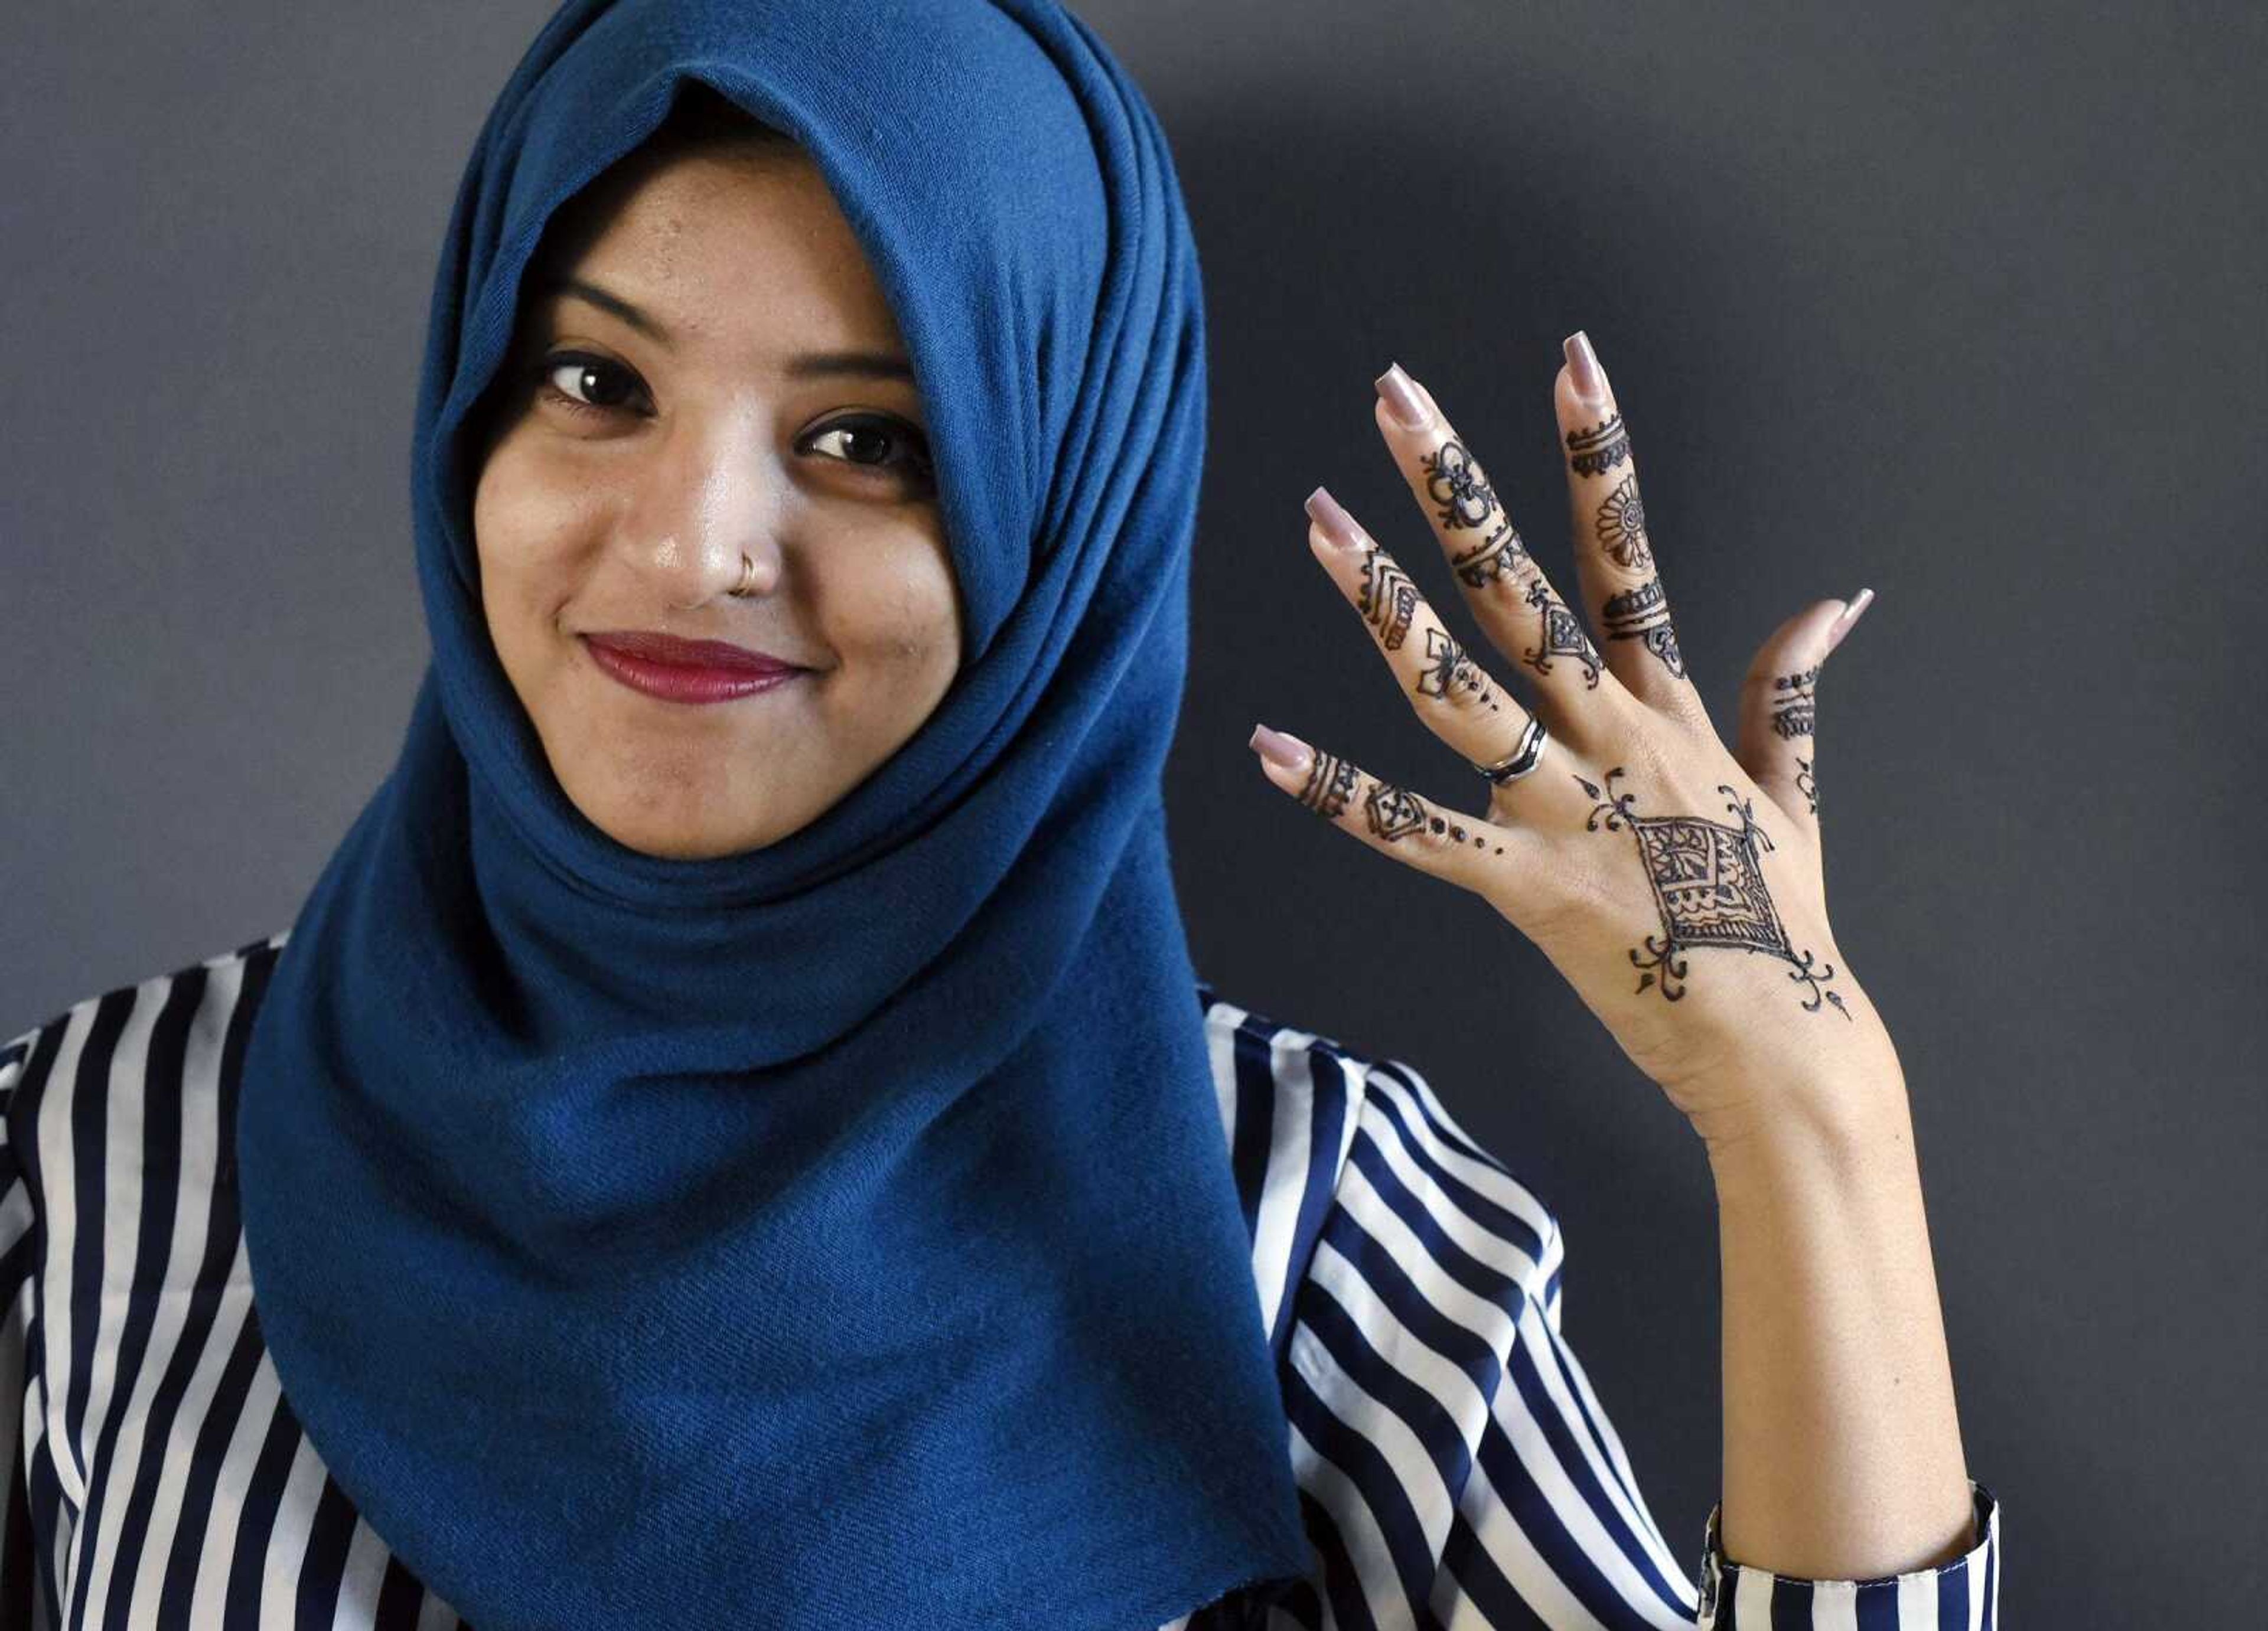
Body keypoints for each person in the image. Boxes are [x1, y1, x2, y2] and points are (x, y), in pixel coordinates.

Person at [0, 1, 2001, 1627]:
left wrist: (1810, 1122)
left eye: (868, 439)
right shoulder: (88, 1162)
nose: (697, 544)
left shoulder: (1317, 1238)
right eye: (598, 384)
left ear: (1066, 536)